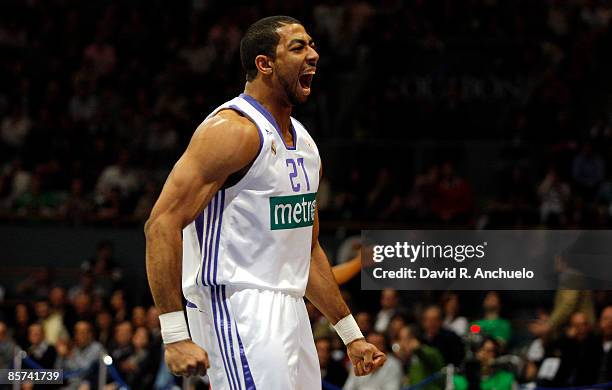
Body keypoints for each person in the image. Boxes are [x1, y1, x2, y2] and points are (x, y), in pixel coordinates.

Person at [145, 15, 386, 389]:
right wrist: (175, 333)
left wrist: (350, 333)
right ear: (264, 64)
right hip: (236, 304)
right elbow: (161, 224)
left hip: (290, 308)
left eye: (312, 45)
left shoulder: (306, 145)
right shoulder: (232, 130)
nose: (314, 55)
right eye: (298, 47)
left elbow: (306, 251)